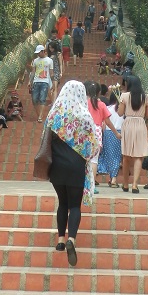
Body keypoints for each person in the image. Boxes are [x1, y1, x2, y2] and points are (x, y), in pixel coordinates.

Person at [46, 81, 100, 267]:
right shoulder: (85, 116)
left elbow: (45, 139)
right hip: (76, 166)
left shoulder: (54, 113)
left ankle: (61, 241)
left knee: (62, 203)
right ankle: (72, 239)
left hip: (57, 166)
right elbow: (94, 145)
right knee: (75, 205)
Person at [118, 75, 148, 193]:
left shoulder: (124, 96)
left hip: (128, 124)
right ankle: (135, 185)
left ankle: (125, 184)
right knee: (138, 156)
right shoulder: (146, 97)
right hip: (141, 124)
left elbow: (120, 113)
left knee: (126, 155)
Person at [84, 81, 117, 194]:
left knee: (84, 159)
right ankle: (92, 186)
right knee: (94, 161)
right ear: (99, 93)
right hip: (97, 131)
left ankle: (82, 184)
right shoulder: (102, 105)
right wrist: (116, 133)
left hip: (85, 130)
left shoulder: (84, 103)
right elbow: (107, 121)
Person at [98, 91, 122, 187]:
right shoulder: (122, 110)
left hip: (108, 133)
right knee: (117, 156)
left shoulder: (107, 108)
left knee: (109, 155)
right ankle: (113, 178)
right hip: (119, 133)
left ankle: (111, 177)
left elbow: (104, 123)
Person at [29, 44, 53, 123]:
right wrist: (30, 81)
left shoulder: (49, 60)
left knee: (42, 99)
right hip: (36, 81)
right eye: (37, 53)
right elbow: (33, 72)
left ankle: (40, 116)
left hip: (45, 81)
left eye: (39, 52)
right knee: (34, 99)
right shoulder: (35, 61)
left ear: (43, 51)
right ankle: (39, 114)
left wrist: (52, 83)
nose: (38, 54)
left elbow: (51, 73)